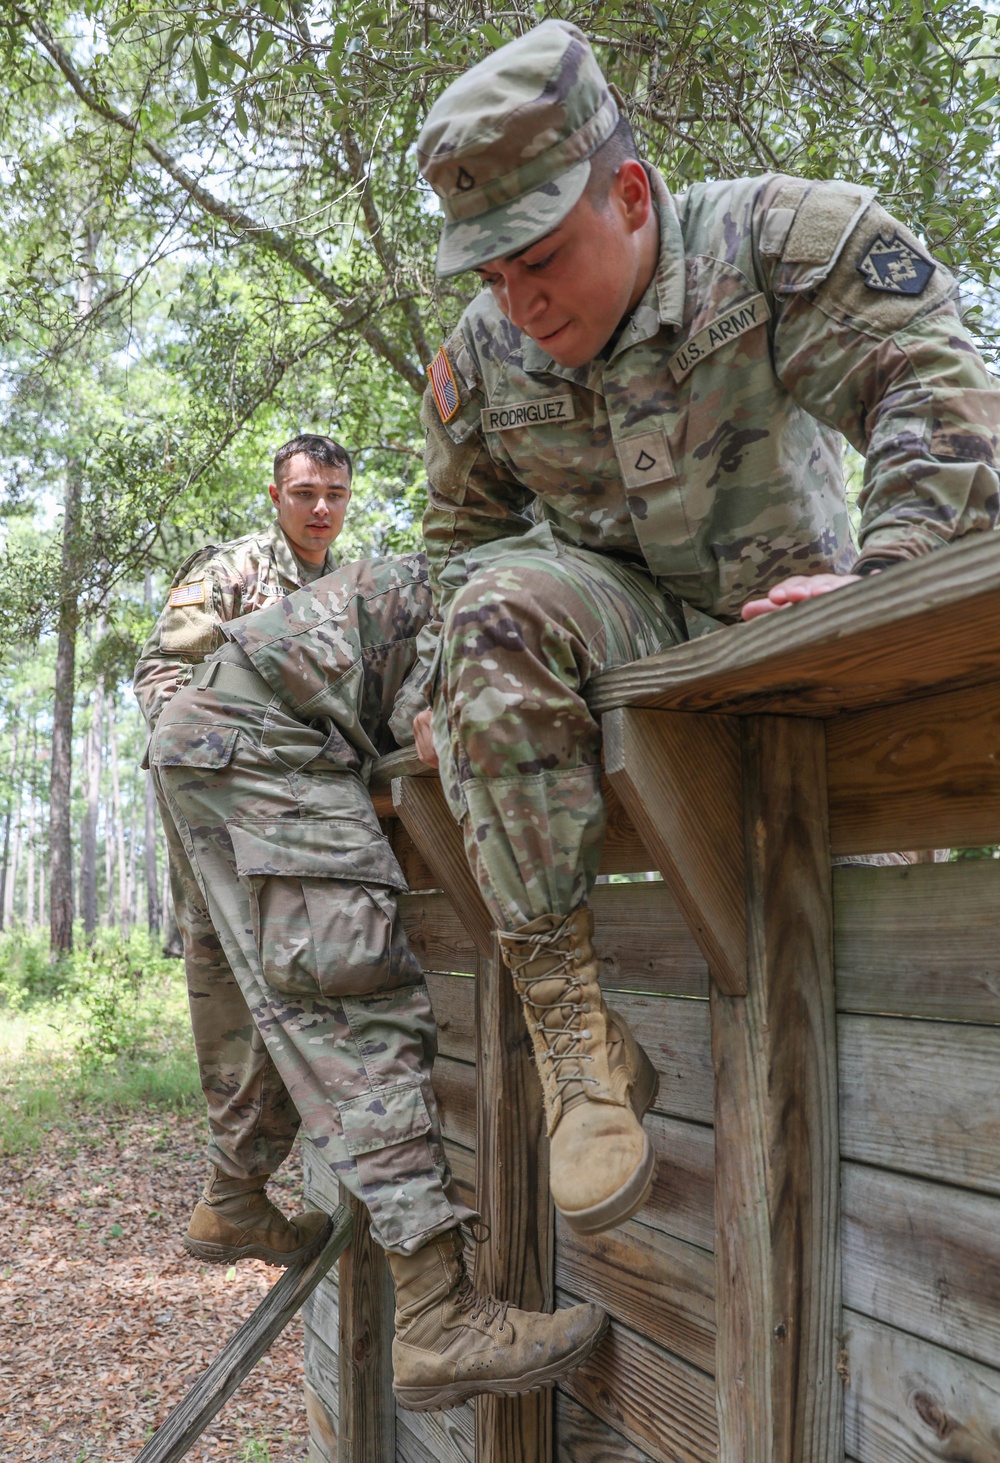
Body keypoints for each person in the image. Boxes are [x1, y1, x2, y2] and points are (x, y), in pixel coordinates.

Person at [408, 21, 1000, 1238]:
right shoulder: (485, 351)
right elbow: (459, 535)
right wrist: (440, 683)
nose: (518, 302)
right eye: (488, 275)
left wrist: (890, 579)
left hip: (801, 627)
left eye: (540, 258)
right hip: (630, 633)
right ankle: (577, 1045)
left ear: (629, 193)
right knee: (487, 612)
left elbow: (934, 377)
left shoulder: (777, 239)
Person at [148, 553, 607, 1411]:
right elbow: (425, 714)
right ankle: (438, 1312)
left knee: (260, 995)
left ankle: (232, 1195)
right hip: (267, 741)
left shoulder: (464, 567)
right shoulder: (509, 583)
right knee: (356, 1004)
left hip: (203, 731)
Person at [134, 434, 351, 1267]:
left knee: (262, 971)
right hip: (223, 792)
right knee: (247, 970)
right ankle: (237, 1187)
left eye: (334, 491)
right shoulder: (234, 569)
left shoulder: (343, 585)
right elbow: (161, 677)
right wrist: (232, 771)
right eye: (304, 492)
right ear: (275, 495)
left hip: (297, 804)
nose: (321, 506)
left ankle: (236, 1190)